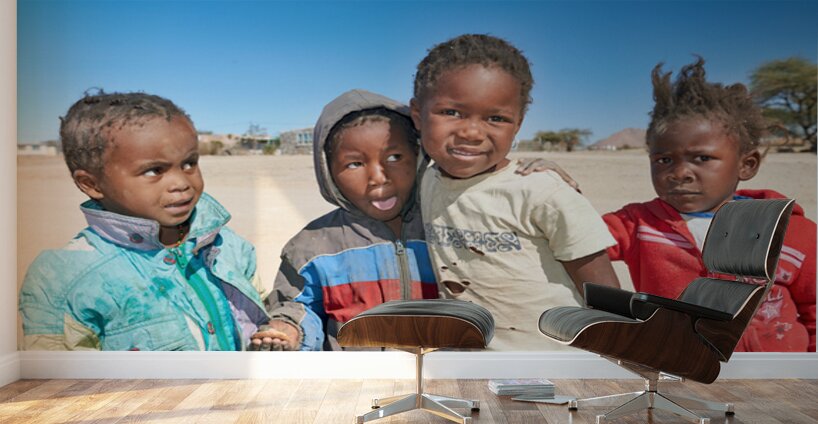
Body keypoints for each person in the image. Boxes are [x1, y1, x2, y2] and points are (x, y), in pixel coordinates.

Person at [410, 34, 620, 351]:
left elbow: (602, 289)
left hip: (555, 360)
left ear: (518, 125)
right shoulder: (425, 179)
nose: (471, 132)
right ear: (417, 115)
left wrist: (605, 360)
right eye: (452, 112)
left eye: (496, 118)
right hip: (468, 359)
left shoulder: (542, 189)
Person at [18, 91, 271, 351]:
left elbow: (261, 314)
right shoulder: (65, 277)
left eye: (189, 164)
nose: (182, 183)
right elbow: (59, 380)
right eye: (154, 171)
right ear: (92, 184)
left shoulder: (227, 245)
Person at [604, 58, 816, 352]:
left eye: (702, 158)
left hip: (778, 377)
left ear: (747, 164)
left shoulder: (793, 232)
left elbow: (814, 308)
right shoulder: (637, 225)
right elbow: (578, 235)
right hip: (680, 372)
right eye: (663, 160)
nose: (680, 173)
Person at [257, 89, 439, 351]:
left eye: (394, 157)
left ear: (419, 155)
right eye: (354, 164)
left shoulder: (446, 229)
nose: (379, 177)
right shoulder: (313, 247)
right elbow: (297, 306)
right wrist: (289, 329)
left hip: (443, 377)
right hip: (355, 384)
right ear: (328, 173)